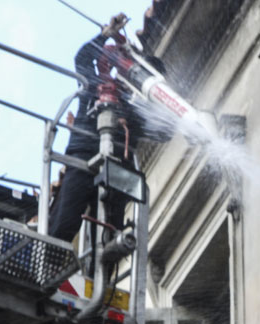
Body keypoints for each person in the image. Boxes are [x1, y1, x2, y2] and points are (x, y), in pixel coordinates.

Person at [48, 13, 171, 245]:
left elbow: (165, 132)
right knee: (64, 223)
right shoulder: (96, 85)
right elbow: (83, 59)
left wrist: (168, 107)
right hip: (83, 159)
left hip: (116, 172)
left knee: (108, 239)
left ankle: (102, 277)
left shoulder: (136, 113)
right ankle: (47, 262)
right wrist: (106, 35)